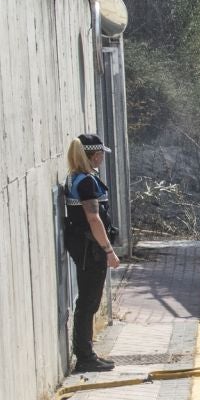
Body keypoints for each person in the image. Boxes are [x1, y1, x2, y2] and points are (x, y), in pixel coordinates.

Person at [63, 133, 121, 373]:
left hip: (85, 247)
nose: (102, 159)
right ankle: (85, 356)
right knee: (88, 302)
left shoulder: (77, 178)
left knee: (88, 301)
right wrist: (109, 250)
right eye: (100, 155)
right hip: (91, 250)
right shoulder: (86, 182)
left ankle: (86, 352)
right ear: (92, 155)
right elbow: (94, 219)